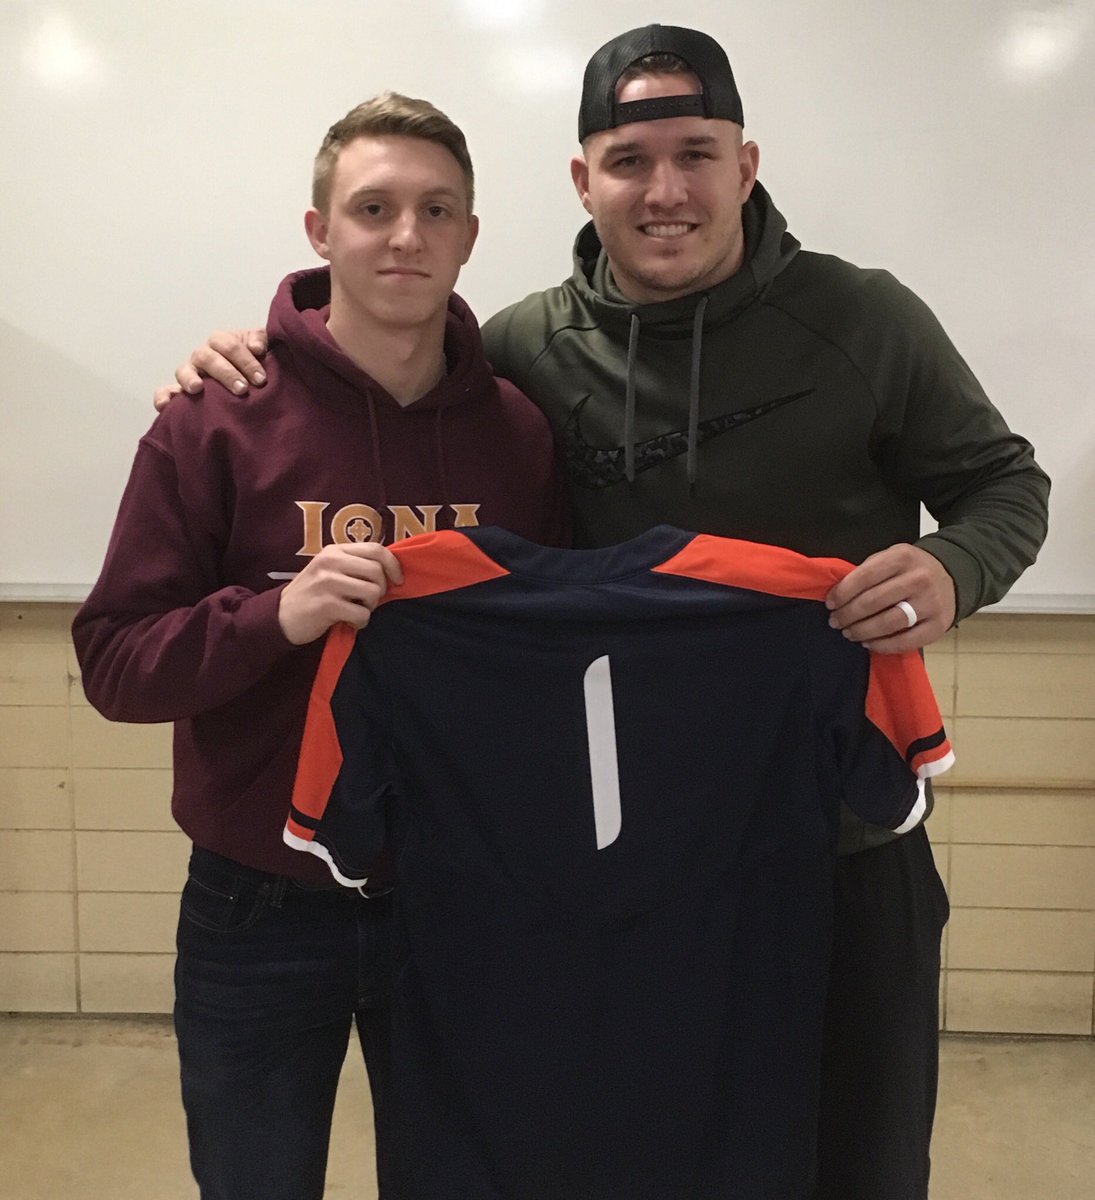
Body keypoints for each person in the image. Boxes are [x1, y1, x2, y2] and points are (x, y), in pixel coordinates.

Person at [155, 24, 1050, 1200]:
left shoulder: (866, 319)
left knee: (863, 1160)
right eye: (630, 160)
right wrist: (259, 352)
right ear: (584, 180)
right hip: (634, 866)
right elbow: (385, 365)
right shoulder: (523, 351)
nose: (665, 190)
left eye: (696, 154)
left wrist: (952, 569)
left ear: (746, 164)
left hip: (842, 843)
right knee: (640, 1155)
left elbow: (1007, 486)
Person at [74, 92, 568, 1200]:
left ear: (470, 236)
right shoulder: (215, 416)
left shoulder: (517, 430)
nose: (405, 237)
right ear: (320, 231)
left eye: (436, 210)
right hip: (258, 902)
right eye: (373, 208)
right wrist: (274, 616)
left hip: (460, 898)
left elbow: (556, 658)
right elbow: (114, 662)